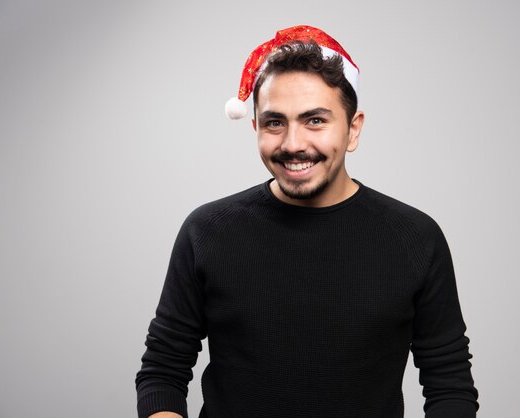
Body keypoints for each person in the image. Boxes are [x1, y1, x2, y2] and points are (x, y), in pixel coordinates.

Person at [136, 25, 478, 418]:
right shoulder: (207, 231)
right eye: (274, 122)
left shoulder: (415, 238)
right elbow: (163, 370)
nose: (293, 143)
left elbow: (449, 384)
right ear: (255, 128)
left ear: (353, 129)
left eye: (315, 120)